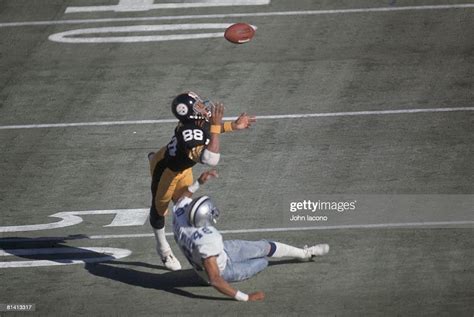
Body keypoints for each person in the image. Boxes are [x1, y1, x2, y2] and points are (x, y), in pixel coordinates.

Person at [172, 170, 330, 302]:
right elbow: (215, 279)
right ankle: (299, 255)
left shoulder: (180, 213)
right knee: (262, 262)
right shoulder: (206, 242)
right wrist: (246, 297)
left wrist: (199, 181)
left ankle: (305, 254)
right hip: (224, 269)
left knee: (265, 246)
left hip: (223, 251)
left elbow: (182, 198)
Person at [148, 91, 256, 271]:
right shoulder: (189, 131)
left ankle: (153, 158)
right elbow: (211, 158)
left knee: (183, 204)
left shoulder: (194, 123)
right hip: (166, 171)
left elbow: (206, 129)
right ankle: (163, 250)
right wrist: (216, 127)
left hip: (181, 166)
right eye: (197, 106)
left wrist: (232, 126)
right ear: (188, 112)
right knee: (160, 210)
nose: (203, 107)